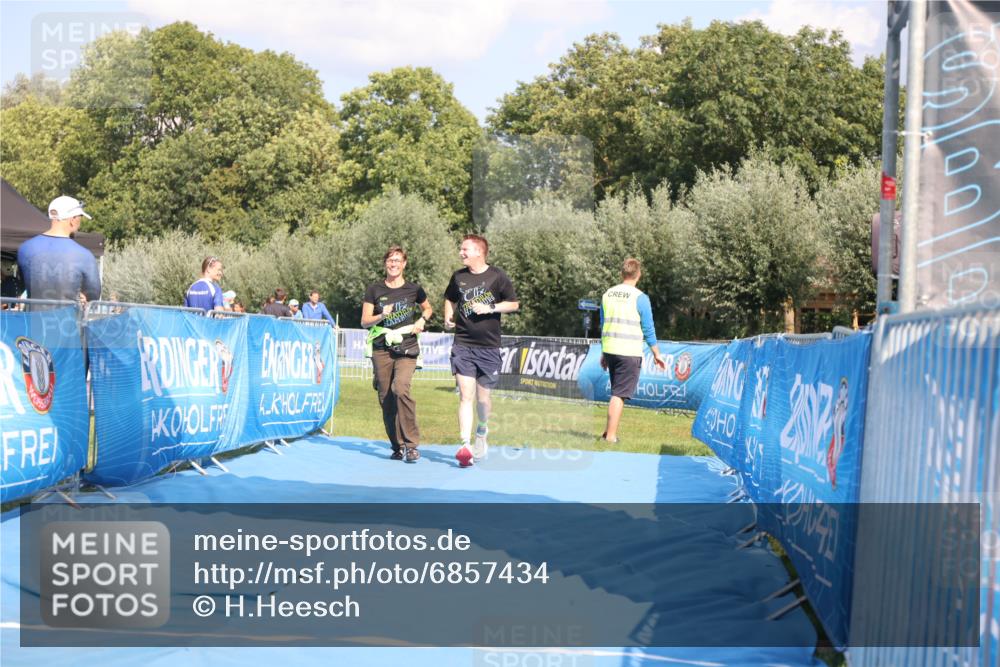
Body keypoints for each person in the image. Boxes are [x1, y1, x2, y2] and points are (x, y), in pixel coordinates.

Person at [444, 234, 518, 466]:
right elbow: (449, 298)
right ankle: (465, 445)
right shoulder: (458, 277)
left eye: (465, 249)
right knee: (466, 396)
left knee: (483, 398)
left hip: (489, 347)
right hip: (463, 345)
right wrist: (448, 315)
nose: (460, 253)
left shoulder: (497, 276)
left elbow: (514, 304)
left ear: (479, 251)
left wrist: (490, 308)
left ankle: (481, 432)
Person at [362, 246, 432, 463]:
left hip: (406, 346)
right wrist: (381, 314)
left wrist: (421, 320)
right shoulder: (374, 290)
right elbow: (364, 321)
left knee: (400, 389)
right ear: (385, 263)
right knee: (386, 398)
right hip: (381, 348)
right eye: (390, 260)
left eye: (397, 260)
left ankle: (411, 446)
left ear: (404, 264)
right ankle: (397, 445)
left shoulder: (414, 289)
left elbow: (428, 309)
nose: (393, 264)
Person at [599, 257, 666, 443]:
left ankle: (607, 432)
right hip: (628, 351)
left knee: (616, 392)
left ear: (622, 273)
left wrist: (604, 352)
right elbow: (648, 328)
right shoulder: (640, 298)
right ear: (639, 275)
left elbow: (603, 325)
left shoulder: (607, 294)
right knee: (619, 395)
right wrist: (656, 354)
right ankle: (611, 437)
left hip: (611, 349)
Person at [16, 195, 101, 305]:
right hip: (67, 320)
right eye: (80, 217)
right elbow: (93, 294)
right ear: (72, 220)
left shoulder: (25, 248)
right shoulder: (84, 255)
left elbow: (23, 283)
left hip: (32, 319)